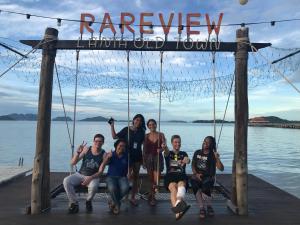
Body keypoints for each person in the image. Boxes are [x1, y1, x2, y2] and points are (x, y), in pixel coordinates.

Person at [63, 134, 106, 214]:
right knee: (66, 181)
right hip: (80, 174)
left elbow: (100, 172)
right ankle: (74, 202)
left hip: (93, 177)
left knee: (93, 187)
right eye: (96, 141)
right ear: (93, 141)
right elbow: (73, 163)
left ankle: (88, 201)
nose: (98, 143)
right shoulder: (87, 149)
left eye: (100, 141)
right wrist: (77, 153)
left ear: (103, 143)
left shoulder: (103, 154)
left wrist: (90, 178)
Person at [109, 114, 146, 206]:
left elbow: (143, 146)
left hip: (137, 156)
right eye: (137, 120)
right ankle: (121, 196)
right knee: (125, 176)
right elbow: (114, 137)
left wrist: (144, 159)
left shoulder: (142, 132)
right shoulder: (127, 129)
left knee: (136, 178)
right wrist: (112, 125)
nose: (138, 122)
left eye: (140, 121)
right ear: (133, 120)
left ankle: (132, 197)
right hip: (126, 156)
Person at [162, 135, 191, 220]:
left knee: (181, 184)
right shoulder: (168, 153)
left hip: (181, 176)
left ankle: (177, 211)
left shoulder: (183, 153)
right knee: (173, 188)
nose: (177, 144)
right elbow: (166, 151)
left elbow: (187, 159)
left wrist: (186, 160)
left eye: (179, 142)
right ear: (172, 143)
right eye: (175, 142)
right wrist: (165, 147)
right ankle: (178, 212)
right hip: (170, 176)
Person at [99, 139, 129, 215]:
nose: (122, 147)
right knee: (112, 188)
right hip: (111, 177)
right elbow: (104, 164)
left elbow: (130, 167)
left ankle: (113, 202)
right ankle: (118, 205)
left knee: (126, 188)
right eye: (120, 145)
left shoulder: (127, 155)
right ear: (116, 146)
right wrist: (107, 157)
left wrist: (130, 173)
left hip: (122, 177)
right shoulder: (111, 154)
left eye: (124, 146)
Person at [190, 136, 217, 219]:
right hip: (198, 175)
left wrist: (217, 158)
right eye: (204, 141)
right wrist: (196, 174)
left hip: (208, 176)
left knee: (206, 186)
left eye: (208, 142)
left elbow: (221, 168)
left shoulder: (212, 155)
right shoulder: (197, 152)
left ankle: (209, 206)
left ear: (211, 145)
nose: (205, 143)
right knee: (193, 182)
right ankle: (202, 207)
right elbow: (193, 164)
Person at [143, 119, 166, 206]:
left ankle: (152, 196)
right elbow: (144, 150)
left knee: (157, 179)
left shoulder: (161, 135)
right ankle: (152, 195)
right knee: (151, 178)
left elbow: (164, 146)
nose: (152, 126)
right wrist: (143, 161)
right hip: (148, 158)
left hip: (158, 158)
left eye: (153, 124)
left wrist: (162, 149)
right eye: (150, 125)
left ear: (156, 125)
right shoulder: (146, 136)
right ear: (148, 126)